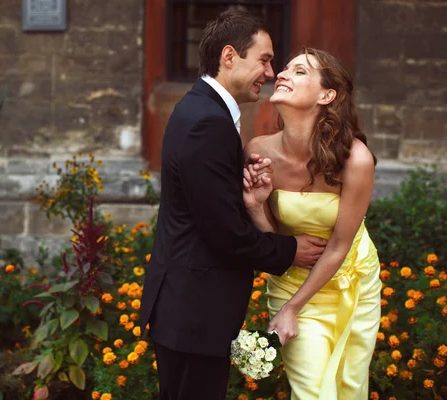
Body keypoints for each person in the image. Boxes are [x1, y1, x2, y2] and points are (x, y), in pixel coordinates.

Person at [139, 10, 328, 400]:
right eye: (263, 59)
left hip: (188, 310)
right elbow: (224, 234)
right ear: (229, 56)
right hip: (194, 313)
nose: (271, 72)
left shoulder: (202, 110)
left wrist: (251, 197)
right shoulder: (208, 122)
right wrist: (290, 250)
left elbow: (211, 208)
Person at [242, 47, 382, 399]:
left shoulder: (356, 159)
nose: (283, 74)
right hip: (292, 282)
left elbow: (339, 245)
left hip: (352, 282)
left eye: (300, 71)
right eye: (285, 68)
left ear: (327, 95)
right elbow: (275, 241)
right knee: (313, 393)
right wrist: (256, 207)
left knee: (350, 389)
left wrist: (292, 310)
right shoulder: (259, 150)